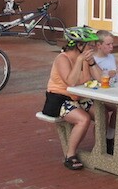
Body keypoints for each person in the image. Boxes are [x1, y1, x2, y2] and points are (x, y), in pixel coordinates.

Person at [42, 26, 103, 171]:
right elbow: (71, 81)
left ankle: (101, 148)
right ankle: (70, 155)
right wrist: (80, 60)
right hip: (59, 98)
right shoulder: (62, 59)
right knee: (83, 119)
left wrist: (92, 62)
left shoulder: (86, 58)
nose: (93, 47)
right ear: (79, 45)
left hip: (80, 98)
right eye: (89, 44)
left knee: (101, 113)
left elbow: (100, 78)